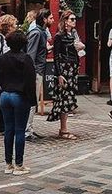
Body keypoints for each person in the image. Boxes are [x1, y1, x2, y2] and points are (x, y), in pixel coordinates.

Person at [0, 31, 36, 175]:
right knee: (19, 131)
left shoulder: (1, 58)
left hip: (4, 95)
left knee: (8, 130)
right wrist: (32, 100)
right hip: (19, 96)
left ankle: (8, 164)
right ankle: (19, 165)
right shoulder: (26, 59)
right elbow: (30, 82)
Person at [47, 10, 79, 140]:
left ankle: (64, 128)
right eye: (72, 19)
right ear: (65, 21)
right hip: (64, 69)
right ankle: (63, 129)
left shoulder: (73, 34)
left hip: (72, 68)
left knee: (69, 97)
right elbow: (56, 57)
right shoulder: (59, 36)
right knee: (64, 98)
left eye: (74, 19)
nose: (74, 21)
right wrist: (59, 74)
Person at [25, 9, 54, 142]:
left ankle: (29, 129)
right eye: (51, 18)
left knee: (34, 102)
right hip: (35, 71)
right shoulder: (36, 33)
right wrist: (32, 72)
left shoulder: (41, 32)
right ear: (44, 19)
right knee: (31, 102)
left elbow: (40, 51)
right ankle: (26, 131)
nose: (52, 20)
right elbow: (31, 54)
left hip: (38, 70)